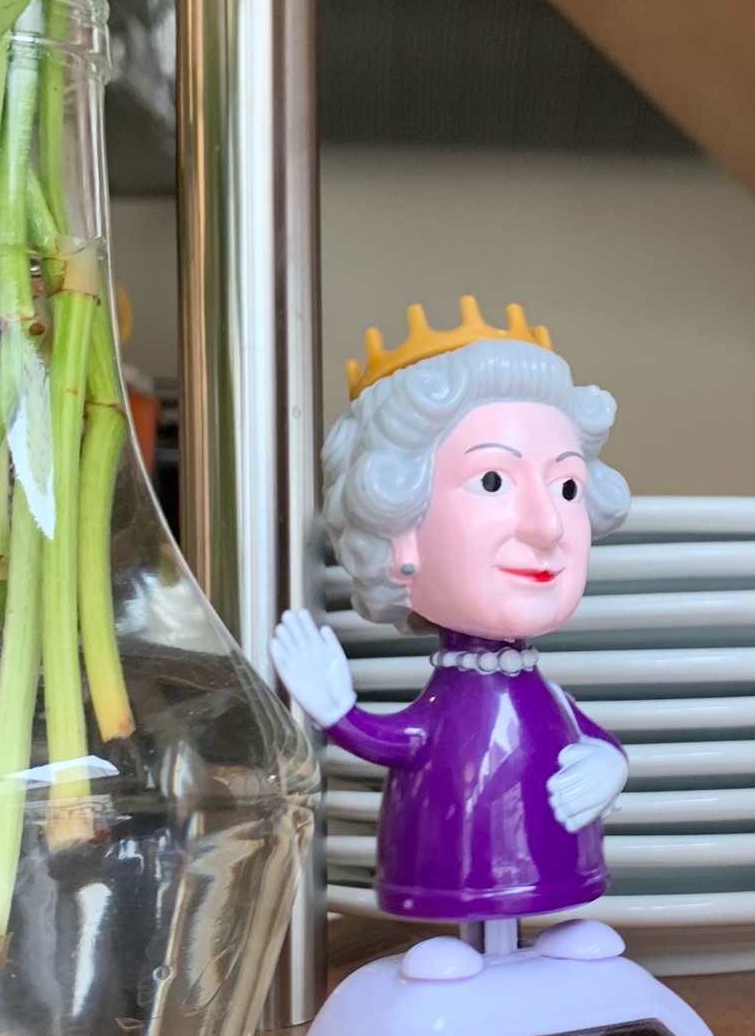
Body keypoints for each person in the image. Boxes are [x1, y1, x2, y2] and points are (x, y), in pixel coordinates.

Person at [270, 298, 631, 960]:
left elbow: (584, 730)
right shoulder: (451, 702)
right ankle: (473, 953)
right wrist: (336, 711)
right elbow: (404, 740)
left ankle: (529, 951)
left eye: (567, 487)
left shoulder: (541, 695)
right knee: (454, 961)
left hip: (556, 871)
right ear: (398, 532)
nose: (547, 525)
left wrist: (608, 762)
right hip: (447, 869)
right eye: (493, 480)